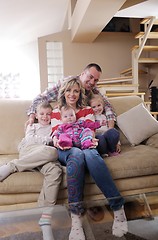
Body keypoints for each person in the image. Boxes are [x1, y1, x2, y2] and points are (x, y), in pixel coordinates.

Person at [51, 77, 128, 240]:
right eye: (69, 90)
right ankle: (76, 220)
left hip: (85, 144)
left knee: (89, 153)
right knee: (77, 154)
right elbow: (55, 134)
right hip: (66, 148)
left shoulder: (87, 110)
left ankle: (118, 208)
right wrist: (58, 142)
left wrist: (89, 142)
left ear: (80, 93)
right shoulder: (56, 111)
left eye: (76, 91)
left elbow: (90, 132)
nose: (72, 94)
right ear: (63, 92)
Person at [0, 102, 62, 207]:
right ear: (36, 115)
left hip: (43, 157)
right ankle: (12, 166)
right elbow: (30, 139)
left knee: (55, 170)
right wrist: (48, 140)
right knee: (52, 151)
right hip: (29, 150)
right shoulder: (32, 126)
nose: (45, 117)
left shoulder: (54, 128)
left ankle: (44, 212)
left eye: (48, 114)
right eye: (42, 114)